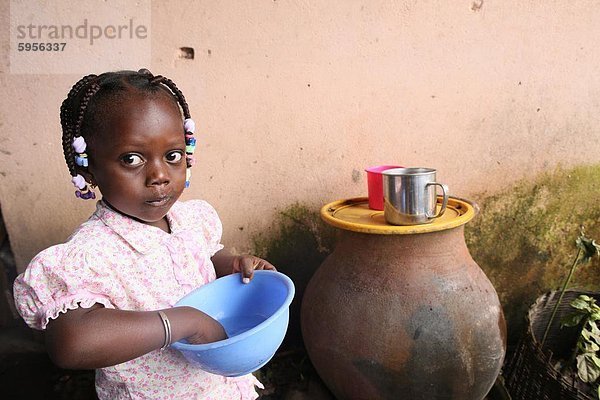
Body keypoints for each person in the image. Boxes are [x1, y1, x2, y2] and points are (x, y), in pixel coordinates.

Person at [13, 69, 276, 399]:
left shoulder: (189, 218)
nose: (159, 175)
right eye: (132, 159)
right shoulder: (94, 253)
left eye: (173, 155)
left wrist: (233, 264)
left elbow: (200, 258)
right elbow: (71, 343)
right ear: (88, 167)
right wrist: (182, 322)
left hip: (216, 387)